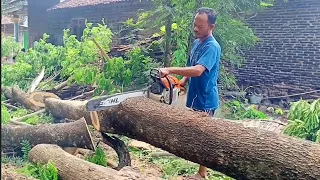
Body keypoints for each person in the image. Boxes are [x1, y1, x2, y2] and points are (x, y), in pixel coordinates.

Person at [159, 7, 221, 179]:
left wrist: (170, 69)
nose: (195, 29)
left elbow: (199, 70)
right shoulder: (196, 43)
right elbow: (191, 65)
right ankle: (200, 170)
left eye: (200, 26)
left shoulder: (212, 47)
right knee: (196, 134)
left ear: (211, 27)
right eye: (195, 25)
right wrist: (182, 82)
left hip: (206, 98)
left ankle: (202, 173)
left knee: (204, 137)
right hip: (194, 95)